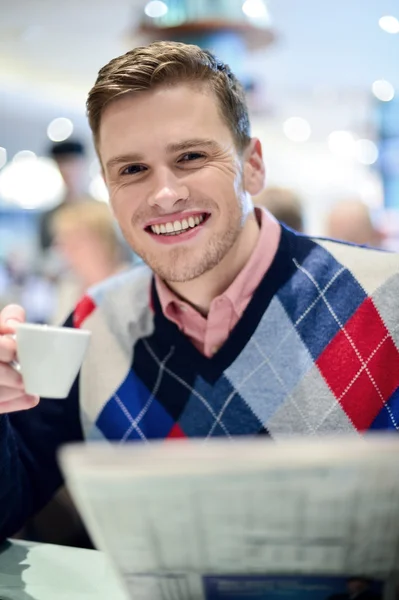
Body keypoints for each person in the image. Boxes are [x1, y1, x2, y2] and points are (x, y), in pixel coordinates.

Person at [1, 40, 399, 544]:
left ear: (252, 165)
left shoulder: (387, 301)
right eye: (131, 170)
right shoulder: (91, 324)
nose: (164, 194)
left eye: (190, 156)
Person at [50, 199, 131, 324]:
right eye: (64, 242)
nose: (68, 251)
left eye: (76, 242)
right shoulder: (69, 289)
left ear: (104, 242)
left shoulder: (130, 286)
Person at [39, 140, 89, 251]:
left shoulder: (104, 211)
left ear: (83, 163)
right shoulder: (49, 216)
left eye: (72, 163)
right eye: (61, 164)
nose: (67, 170)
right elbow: (43, 256)